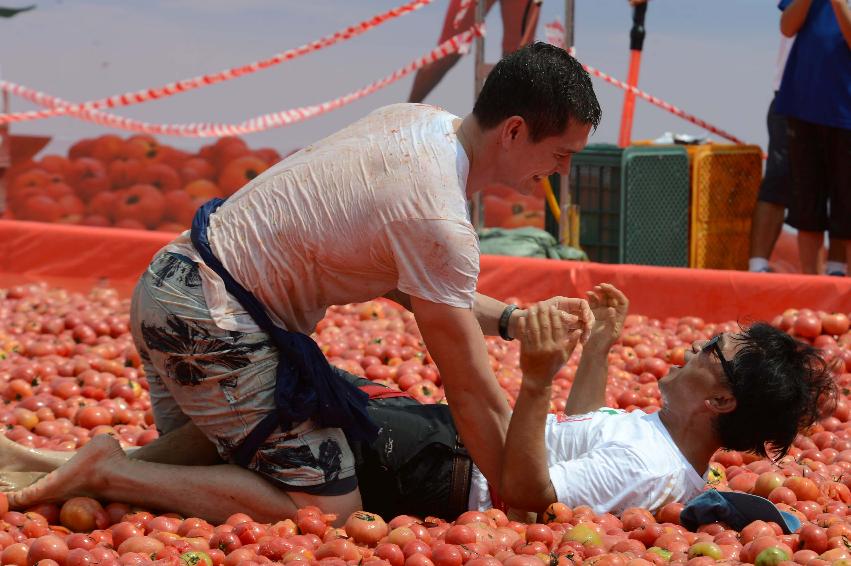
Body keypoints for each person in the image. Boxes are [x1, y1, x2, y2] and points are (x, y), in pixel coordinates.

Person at [97, 42, 601, 521]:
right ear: (513, 131)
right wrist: (516, 498)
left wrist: (512, 321)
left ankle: (36, 464)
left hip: (169, 284)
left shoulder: (415, 123)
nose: (562, 171)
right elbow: (472, 392)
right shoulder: (438, 217)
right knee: (329, 511)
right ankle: (109, 474)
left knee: (205, 461)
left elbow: (400, 277)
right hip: (212, 325)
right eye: (560, 154)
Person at [1, 285, 835, 521]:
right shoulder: (658, 448)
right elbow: (583, 434)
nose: (692, 349)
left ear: (719, 397)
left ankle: (108, 471)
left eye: (708, 353)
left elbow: (526, 495)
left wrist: (535, 376)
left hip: (441, 470)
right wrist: (598, 352)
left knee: (309, 505)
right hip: (440, 443)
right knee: (284, 429)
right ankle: (57, 467)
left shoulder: (646, 468)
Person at [774, 0, 851, 276]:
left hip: (846, 113)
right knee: (807, 210)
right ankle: (812, 290)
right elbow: (787, 27)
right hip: (803, 108)